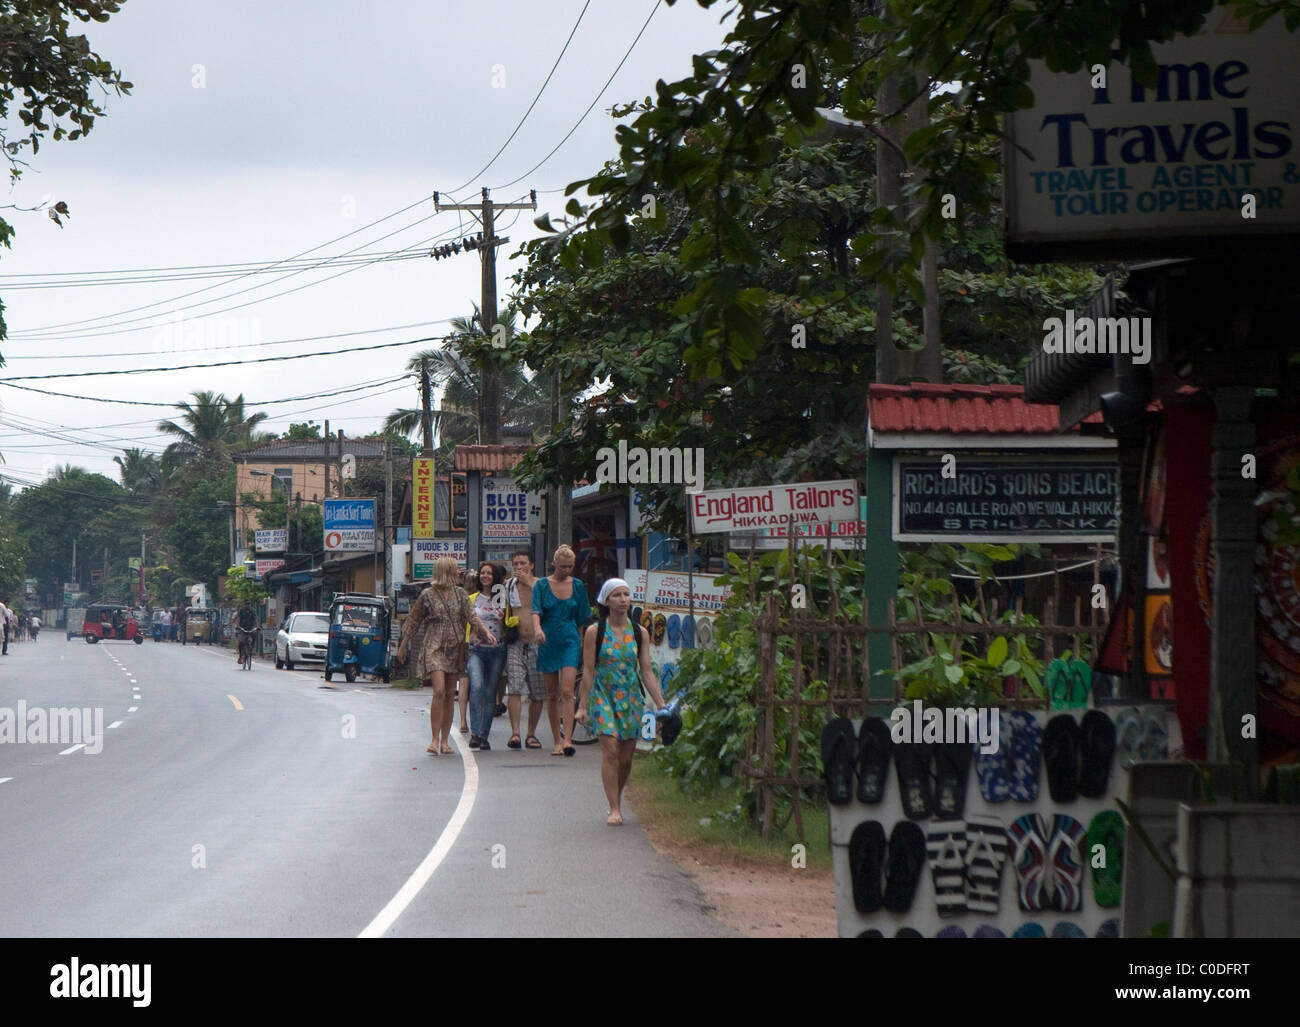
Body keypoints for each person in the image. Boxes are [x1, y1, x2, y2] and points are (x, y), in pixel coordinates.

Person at [577, 578, 665, 825]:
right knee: (611, 751)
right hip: (603, 696)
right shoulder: (596, 631)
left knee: (626, 758)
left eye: (626, 594)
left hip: (630, 698)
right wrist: (582, 706)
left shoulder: (640, 632)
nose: (623, 599)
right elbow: (589, 670)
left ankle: (618, 794)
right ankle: (614, 808)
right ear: (606, 601)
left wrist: (661, 704)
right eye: (617, 595)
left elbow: (646, 671)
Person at [397, 556, 496, 755]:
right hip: (433, 644)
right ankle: (434, 739)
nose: (458, 573)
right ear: (446, 571)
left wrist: (486, 632)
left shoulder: (460, 594)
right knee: (439, 691)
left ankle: (445, 741)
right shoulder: (427, 595)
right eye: (454, 570)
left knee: (450, 693)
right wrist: (403, 645)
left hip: (455, 645)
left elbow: (472, 617)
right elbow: (414, 620)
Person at [532, 544, 590, 757]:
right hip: (548, 639)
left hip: (570, 639)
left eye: (570, 566)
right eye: (563, 566)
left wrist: (582, 643)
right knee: (552, 693)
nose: (567, 570)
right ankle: (556, 740)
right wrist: (537, 629)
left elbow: (582, 616)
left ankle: (568, 740)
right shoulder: (542, 585)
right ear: (554, 564)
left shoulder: (578, 586)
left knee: (567, 691)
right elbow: (535, 610)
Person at [504, 549, 544, 750]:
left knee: (538, 691)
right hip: (516, 643)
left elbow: (548, 603)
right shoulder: (508, 586)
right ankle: (515, 733)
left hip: (537, 643)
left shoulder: (541, 585)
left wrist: (528, 582)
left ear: (531, 565)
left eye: (523, 564)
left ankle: (531, 733)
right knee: (515, 686)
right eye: (516, 564)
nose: (519, 568)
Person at [465, 562, 508, 751]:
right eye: (482, 573)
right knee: (477, 687)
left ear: (495, 577)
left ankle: (484, 735)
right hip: (476, 649)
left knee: (490, 693)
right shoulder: (472, 598)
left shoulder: (501, 596)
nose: (485, 576)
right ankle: (474, 733)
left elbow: (505, 620)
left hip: (497, 650)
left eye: (489, 573)